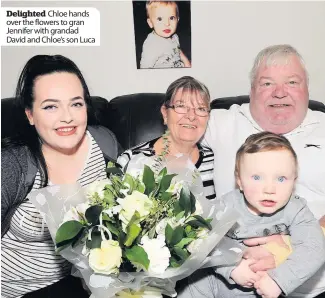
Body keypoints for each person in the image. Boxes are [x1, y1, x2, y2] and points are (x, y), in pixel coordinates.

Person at [203, 44, 325, 297]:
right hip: (230, 282)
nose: (279, 93)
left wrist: (289, 248)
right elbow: (176, 129)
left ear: (307, 89)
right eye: (267, 84)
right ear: (251, 91)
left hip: (313, 287)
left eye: (292, 82)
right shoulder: (223, 122)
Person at [1, 55, 119, 298]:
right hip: (11, 289)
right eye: (50, 106)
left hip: (75, 284)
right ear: (30, 115)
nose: (67, 117)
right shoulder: (13, 164)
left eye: (76, 104)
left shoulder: (104, 144)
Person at [214, 132, 325, 297]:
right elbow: (202, 243)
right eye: (257, 177)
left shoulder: (296, 209)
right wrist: (231, 268)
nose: (269, 189)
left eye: (281, 179)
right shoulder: (225, 206)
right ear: (239, 181)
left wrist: (279, 280)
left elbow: (314, 247)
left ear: (294, 182)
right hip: (206, 286)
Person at [117, 75, 214, 199]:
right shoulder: (130, 160)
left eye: (201, 109)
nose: (191, 116)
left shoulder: (214, 162)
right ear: (165, 113)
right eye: (181, 106)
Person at [140, 1, 191, 69]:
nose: (167, 24)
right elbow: (144, 67)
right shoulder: (151, 44)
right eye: (160, 19)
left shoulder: (174, 37)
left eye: (171, 18)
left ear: (177, 20)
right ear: (150, 23)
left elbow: (178, 50)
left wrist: (186, 62)